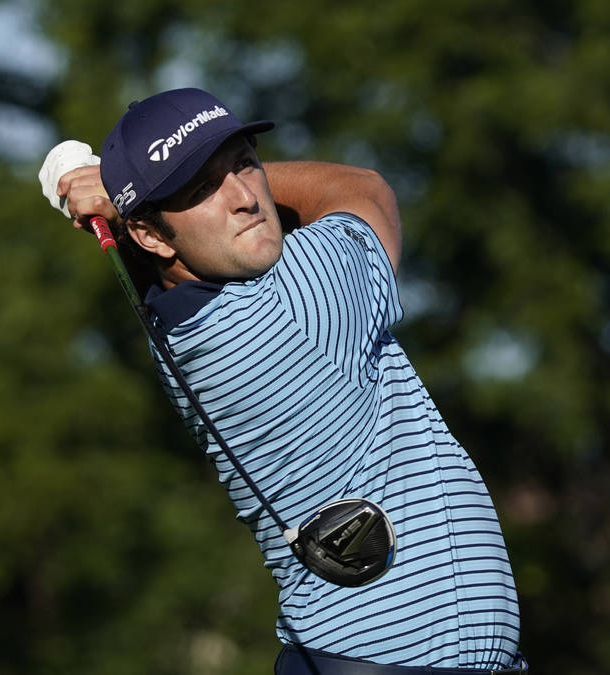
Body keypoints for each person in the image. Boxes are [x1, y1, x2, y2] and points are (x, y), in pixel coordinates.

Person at [51, 88, 525, 674]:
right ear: (149, 235)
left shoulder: (179, 318)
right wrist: (119, 192)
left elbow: (198, 230)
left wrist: (135, 196)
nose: (246, 197)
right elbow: (363, 190)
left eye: (243, 162)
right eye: (201, 188)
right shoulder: (295, 305)